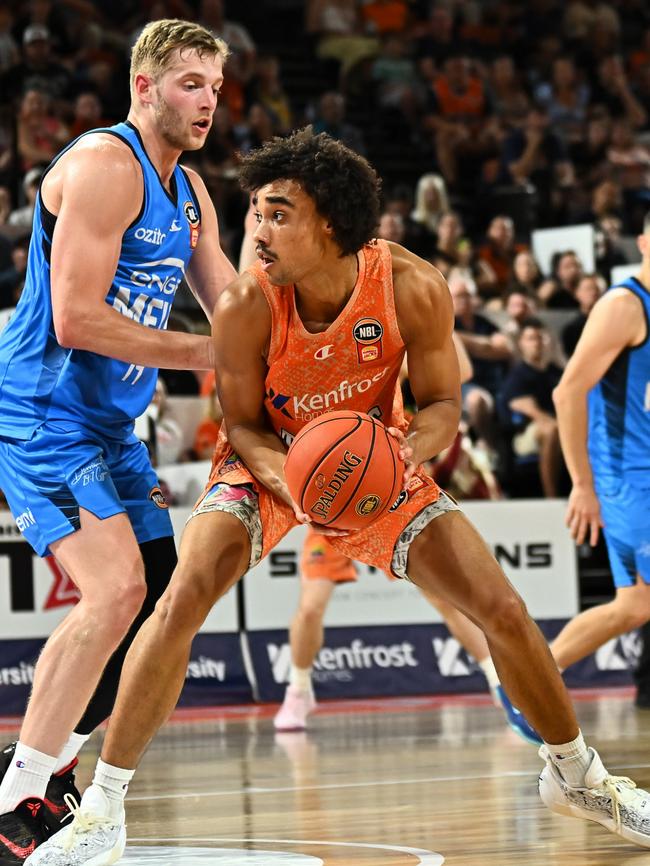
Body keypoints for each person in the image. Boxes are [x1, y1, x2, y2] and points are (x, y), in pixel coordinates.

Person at [34, 129, 650, 864]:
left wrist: (400, 456)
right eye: (254, 213)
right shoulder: (242, 305)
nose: (256, 232)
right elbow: (243, 427)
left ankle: (577, 776)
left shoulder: (412, 287)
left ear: (331, 221)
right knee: (181, 599)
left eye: (277, 214)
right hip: (269, 462)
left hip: (372, 460)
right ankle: (102, 807)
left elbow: (444, 406)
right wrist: (296, 477)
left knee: (503, 610)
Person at [0, 19, 237, 864]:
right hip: (42, 411)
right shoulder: (104, 166)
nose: (207, 99)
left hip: (111, 424)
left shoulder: (195, 193)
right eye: (189, 83)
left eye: (214, 82)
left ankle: (44, 760)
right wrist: (208, 358)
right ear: (144, 88)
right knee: (112, 593)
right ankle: (20, 793)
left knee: (165, 599)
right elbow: (76, 317)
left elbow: (234, 312)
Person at [274, 335, 536, 744]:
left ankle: (500, 686)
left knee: (449, 601)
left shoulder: (383, 356)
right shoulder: (313, 365)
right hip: (338, 494)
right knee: (311, 607)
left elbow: (461, 371)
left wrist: (438, 322)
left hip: (393, 485)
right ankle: (299, 690)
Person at [550, 212, 650, 687]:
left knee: (637, 605)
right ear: (643, 243)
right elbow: (568, 393)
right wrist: (583, 485)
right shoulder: (624, 306)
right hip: (627, 477)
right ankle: (530, 681)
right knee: (635, 605)